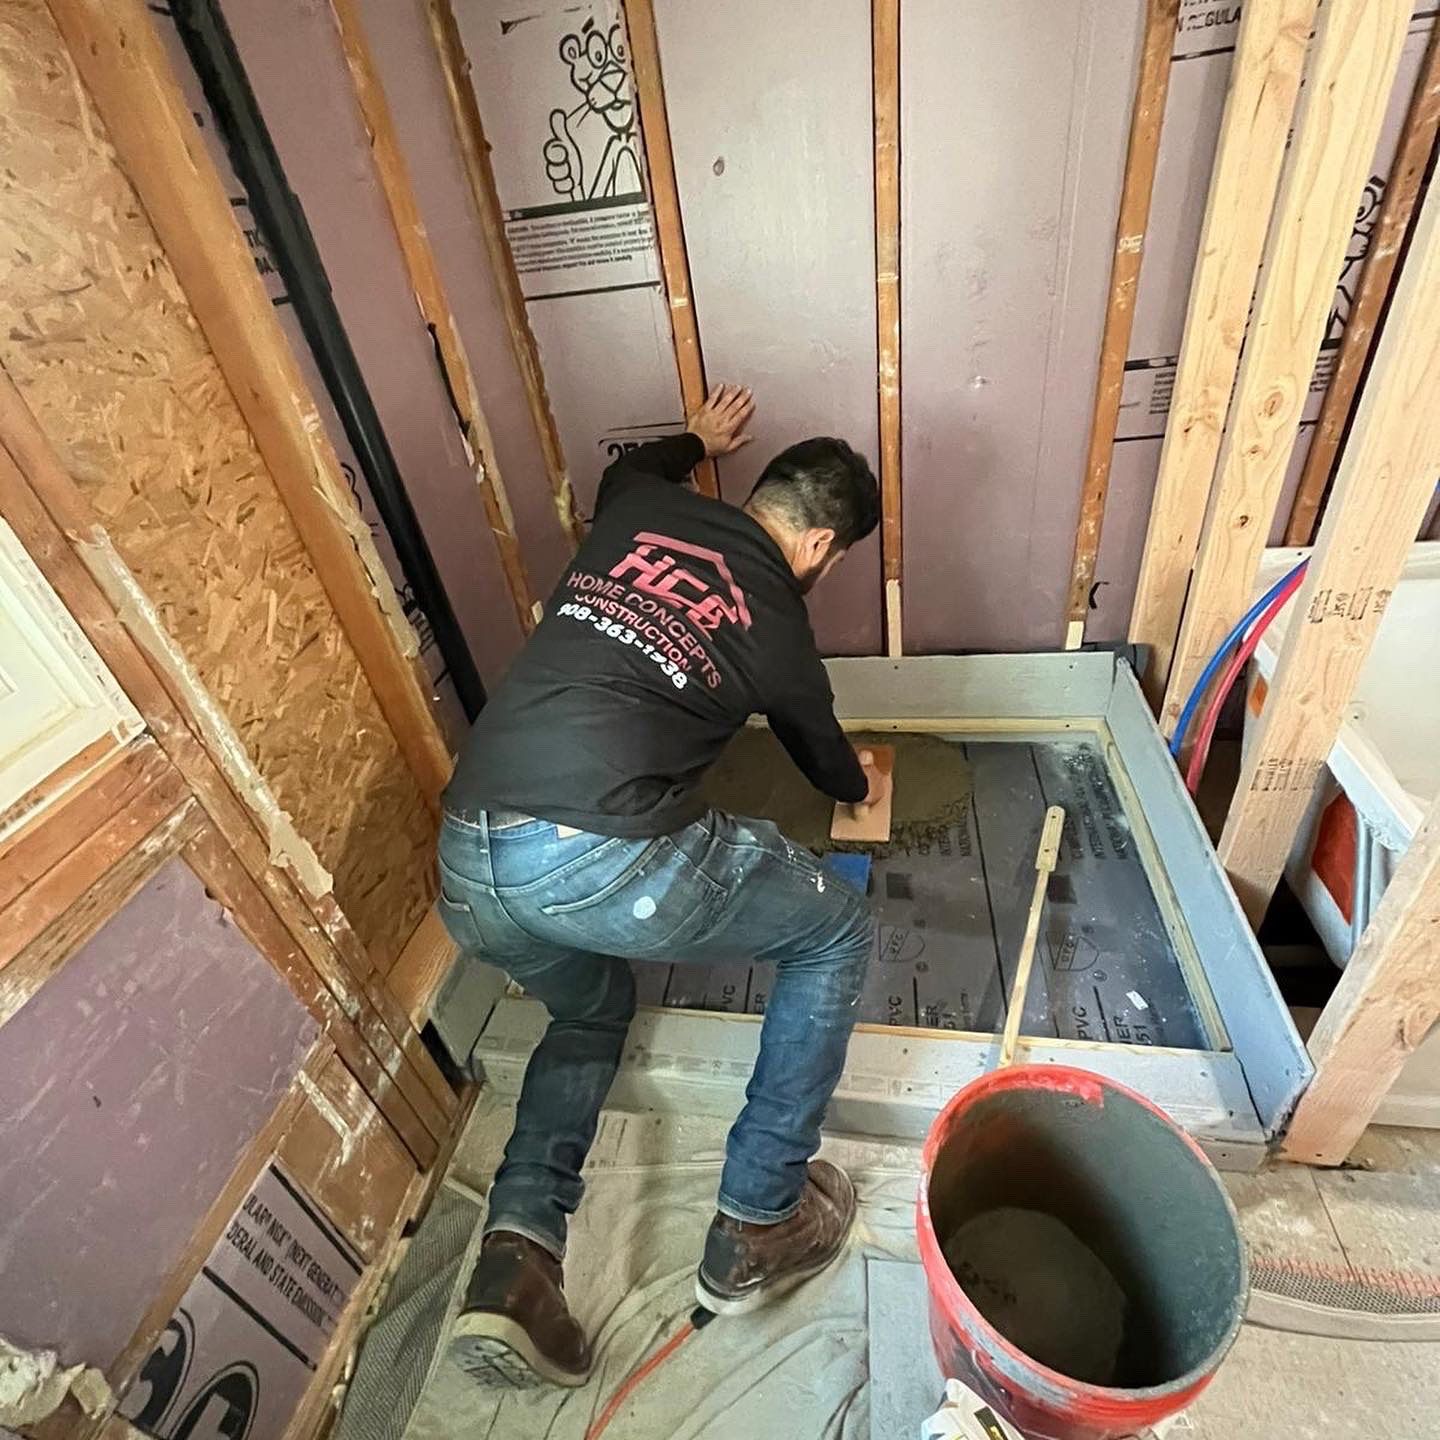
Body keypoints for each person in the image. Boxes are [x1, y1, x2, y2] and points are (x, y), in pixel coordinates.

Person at [437, 385, 887, 1388]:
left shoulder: (639, 505)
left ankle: (516, 1256)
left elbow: (622, 471)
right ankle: (759, 1218)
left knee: (590, 1012)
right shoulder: (777, 616)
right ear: (820, 545)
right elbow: (825, 762)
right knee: (837, 932)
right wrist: (863, 781)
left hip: (468, 856)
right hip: (600, 857)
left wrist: (699, 441)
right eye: (834, 557)